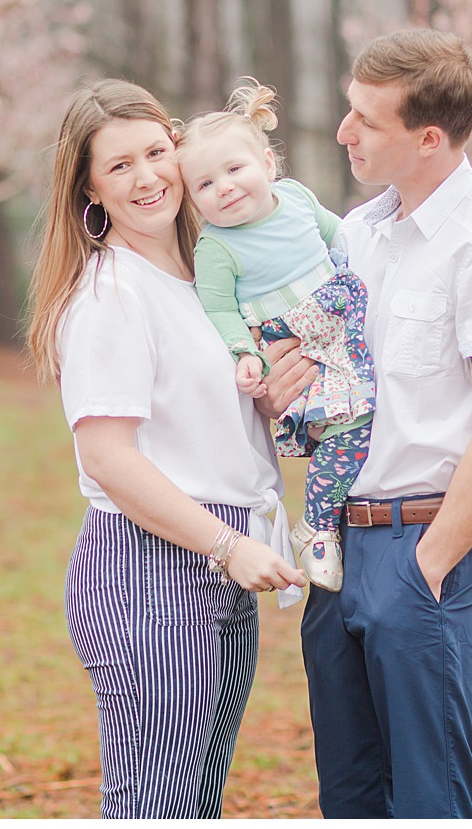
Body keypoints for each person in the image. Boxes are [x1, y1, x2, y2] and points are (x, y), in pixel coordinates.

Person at [265, 29, 472, 818]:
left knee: (429, 799)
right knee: (349, 794)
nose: (344, 132)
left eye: (366, 120)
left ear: (429, 138)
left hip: (421, 547)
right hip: (336, 545)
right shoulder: (357, 234)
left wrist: (428, 565)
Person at [25, 78, 309, 819]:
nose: (148, 176)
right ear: (88, 188)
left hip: (219, 567)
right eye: (119, 166)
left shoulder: (197, 282)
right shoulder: (112, 295)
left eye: (157, 152)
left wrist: (272, 400)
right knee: (155, 808)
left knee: (193, 806)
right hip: (152, 574)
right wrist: (225, 546)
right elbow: (109, 459)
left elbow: (204, 425)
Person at [176, 79, 377, 592]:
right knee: (349, 422)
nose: (222, 187)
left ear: (268, 165)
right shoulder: (217, 249)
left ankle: (325, 520)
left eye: (234, 169)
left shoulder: (296, 199)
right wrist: (244, 350)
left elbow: (343, 238)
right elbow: (218, 308)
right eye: (203, 185)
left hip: (337, 330)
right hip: (289, 339)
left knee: (357, 426)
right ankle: (318, 525)